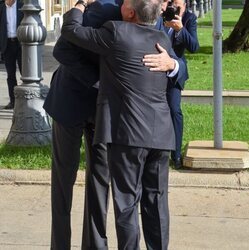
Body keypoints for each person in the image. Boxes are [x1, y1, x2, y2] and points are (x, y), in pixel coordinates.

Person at [61, 0, 187, 248]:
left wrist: (80, 4)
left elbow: (71, 31)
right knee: (157, 202)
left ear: (130, 12)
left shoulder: (116, 32)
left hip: (128, 135)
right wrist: (173, 62)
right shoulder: (162, 37)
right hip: (161, 135)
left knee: (127, 204)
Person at [43, 1, 123, 249]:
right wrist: (99, 83)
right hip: (69, 101)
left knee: (100, 178)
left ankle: (95, 245)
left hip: (102, 111)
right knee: (63, 180)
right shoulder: (102, 10)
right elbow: (62, 52)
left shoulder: (142, 13)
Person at [145, 0, 199, 169]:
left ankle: (176, 154)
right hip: (155, 69)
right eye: (170, 4)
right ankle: (151, 150)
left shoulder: (189, 18)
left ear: (184, 5)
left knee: (174, 110)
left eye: (177, 5)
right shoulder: (158, 16)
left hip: (175, 71)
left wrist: (180, 30)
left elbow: (194, 47)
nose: (173, 9)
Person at [0, 0, 23, 109]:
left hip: (21, 45)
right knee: (10, 75)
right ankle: (13, 101)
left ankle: (26, 100)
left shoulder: (22, 6)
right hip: (7, 45)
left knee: (26, 74)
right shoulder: (1, 8)